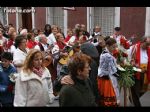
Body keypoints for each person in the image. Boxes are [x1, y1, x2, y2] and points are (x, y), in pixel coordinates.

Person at [97, 37, 120, 106]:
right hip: (106, 78)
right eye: (113, 47)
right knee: (109, 100)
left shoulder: (107, 52)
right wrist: (119, 73)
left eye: (115, 47)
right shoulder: (107, 55)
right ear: (107, 46)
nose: (115, 49)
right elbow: (113, 69)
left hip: (104, 76)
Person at [128, 36, 150, 106]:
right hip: (135, 73)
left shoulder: (148, 49)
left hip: (145, 73)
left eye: (149, 44)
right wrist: (131, 63)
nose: (148, 46)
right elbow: (127, 58)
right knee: (136, 91)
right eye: (147, 44)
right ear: (142, 42)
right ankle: (135, 101)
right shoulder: (134, 48)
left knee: (144, 90)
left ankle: (131, 98)